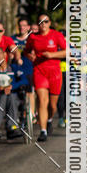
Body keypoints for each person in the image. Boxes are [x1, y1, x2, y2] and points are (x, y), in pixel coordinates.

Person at [24, 12, 66, 142]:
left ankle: (49, 119)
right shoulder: (33, 38)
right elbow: (26, 50)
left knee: (53, 105)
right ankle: (43, 131)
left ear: (50, 23)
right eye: (40, 22)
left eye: (46, 21)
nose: (43, 24)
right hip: (39, 71)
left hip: (54, 72)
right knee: (42, 100)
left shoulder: (56, 35)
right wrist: (30, 56)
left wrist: (52, 55)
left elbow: (67, 51)